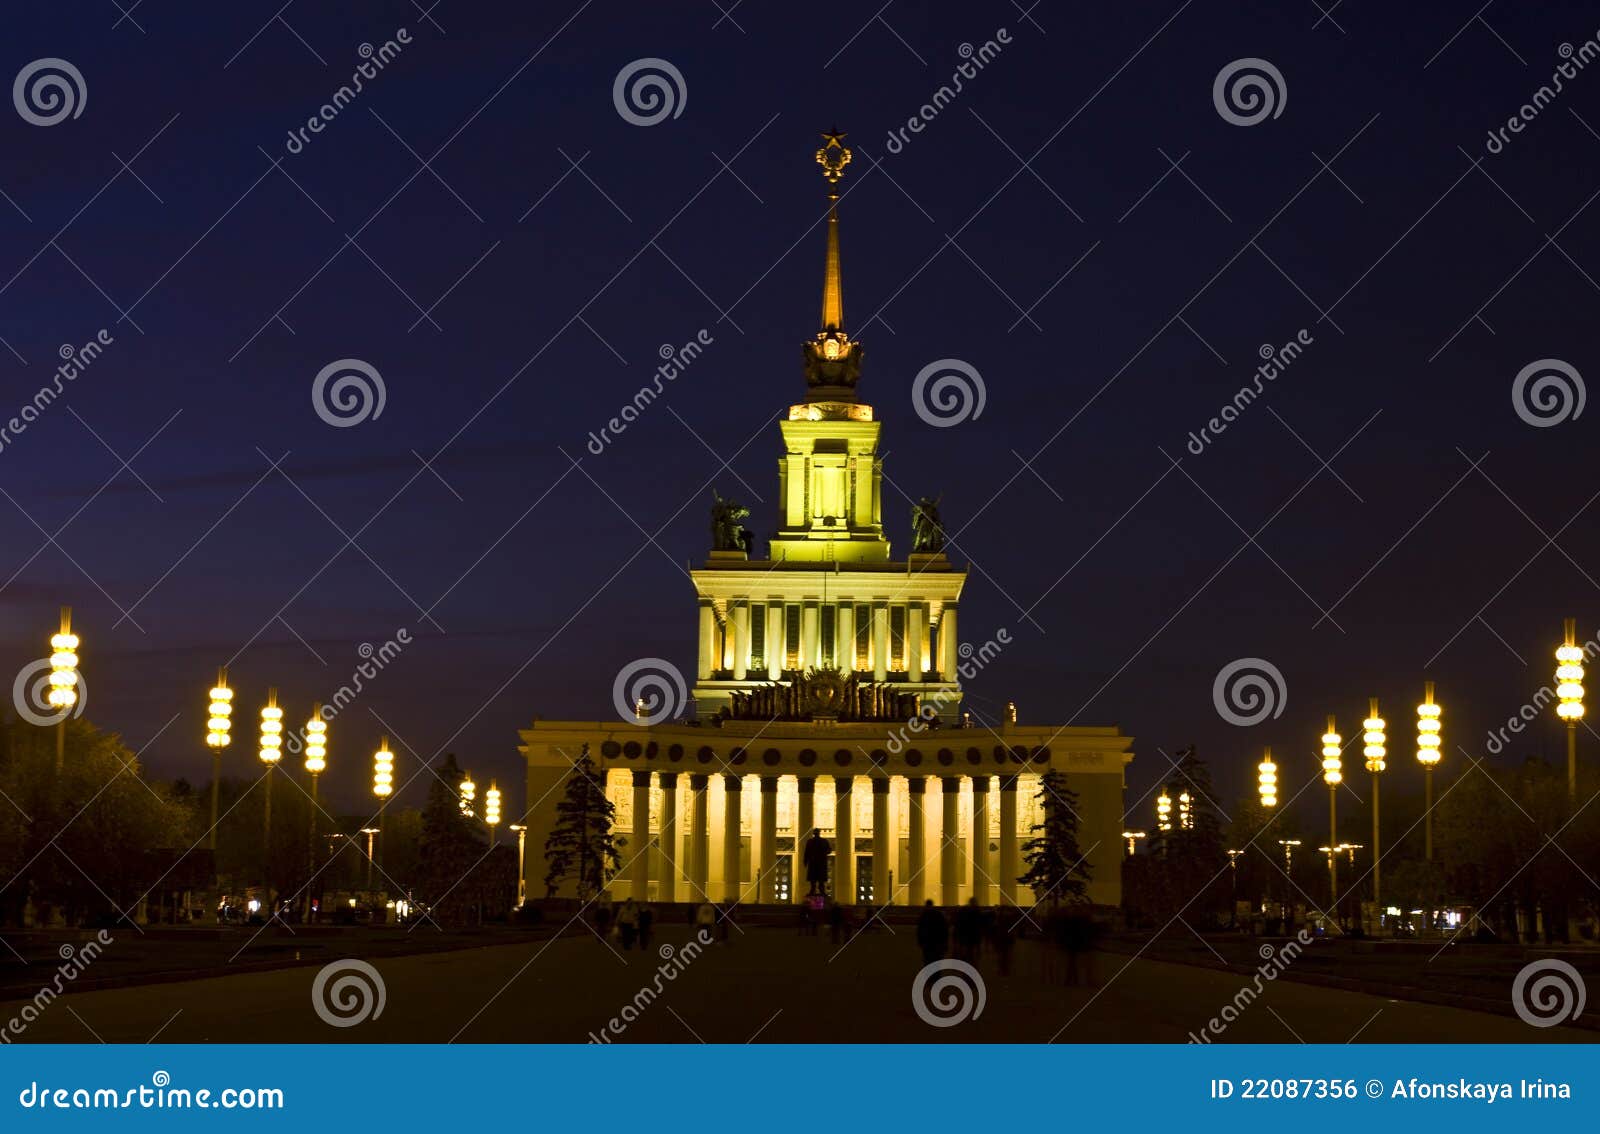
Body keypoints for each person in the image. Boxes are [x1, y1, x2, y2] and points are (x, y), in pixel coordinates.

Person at [915, 899, 948, 966]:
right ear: (932, 905)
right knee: (937, 960)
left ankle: (929, 974)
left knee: (927, 960)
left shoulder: (923, 916)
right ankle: (936, 974)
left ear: (926, 905)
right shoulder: (939, 914)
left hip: (927, 943)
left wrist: (920, 942)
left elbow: (920, 930)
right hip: (937, 942)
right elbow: (944, 929)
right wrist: (945, 943)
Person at [954, 897, 984, 964]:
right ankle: (972, 964)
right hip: (973, 935)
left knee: (967, 950)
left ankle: (966, 963)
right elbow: (980, 924)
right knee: (971, 951)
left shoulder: (964, 910)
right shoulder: (977, 911)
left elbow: (959, 923)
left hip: (966, 935)